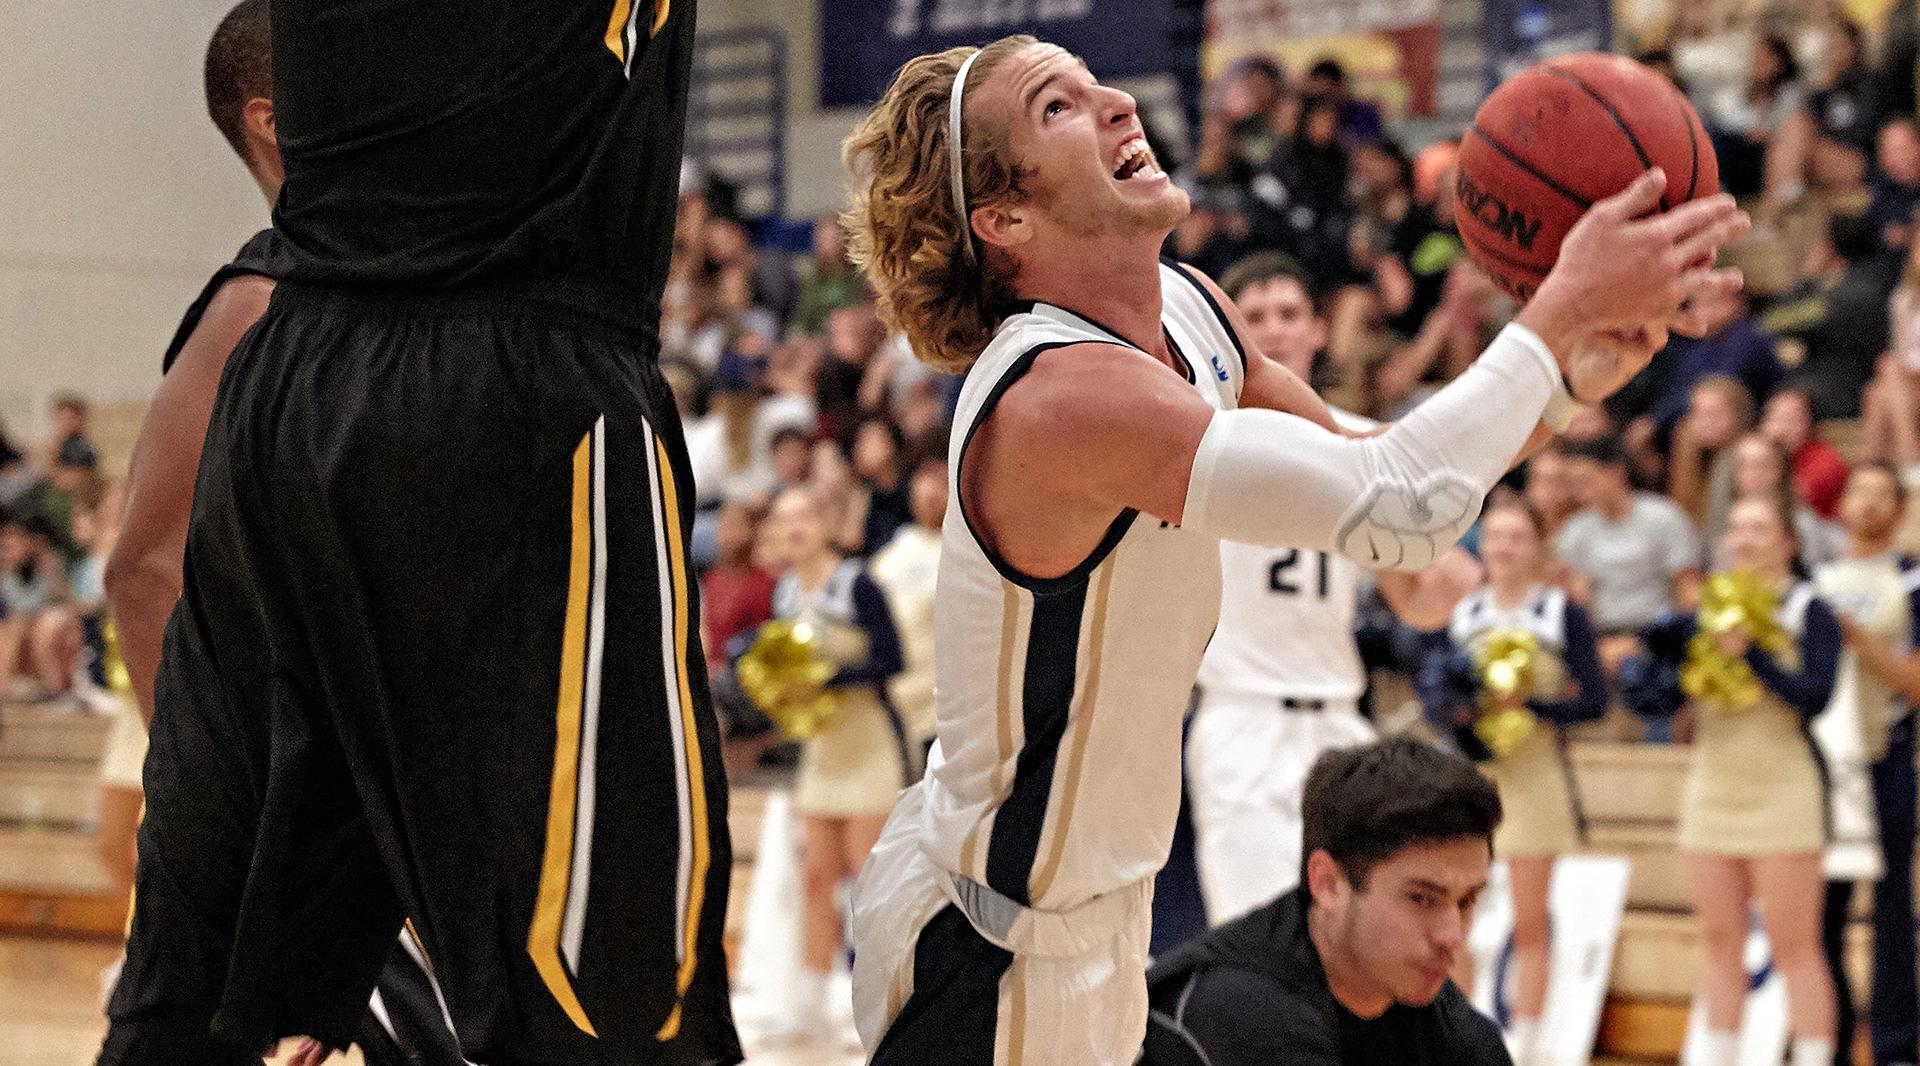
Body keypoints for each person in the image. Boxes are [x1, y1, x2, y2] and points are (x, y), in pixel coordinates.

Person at [838, 34, 1746, 1066]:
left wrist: (1576, 372)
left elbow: (1373, 465)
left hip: (1093, 915)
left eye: (1098, 83)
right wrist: (1558, 310)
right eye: (1059, 108)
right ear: (1003, 217)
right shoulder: (1055, 394)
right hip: (987, 940)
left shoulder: (1192, 309)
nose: (1119, 103)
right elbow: (1398, 502)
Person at [98, 0, 739, 1063]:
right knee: (616, 1001)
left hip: (327, 388)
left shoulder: (286, 298)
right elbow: (138, 567)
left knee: (194, 996)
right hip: (513, 379)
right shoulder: (258, 291)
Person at [99, 6, 469, 1066]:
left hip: (376, 795)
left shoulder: (380, 292)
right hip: (279, 804)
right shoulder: (260, 300)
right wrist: (213, 800)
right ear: (274, 118)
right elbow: (141, 567)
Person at [1187, 251, 1479, 926]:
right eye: (1254, 318)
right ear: (1228, 335)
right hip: (1243, 718)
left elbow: (1416, 600)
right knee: (1256, 944)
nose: (1276, 330)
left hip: (1341, 724)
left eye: (1289, 314)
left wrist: (1460, 576)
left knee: (1353, 946)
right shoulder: (1198, 437)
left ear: (1319, 330)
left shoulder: (1358, 441)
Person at [1139, 737, 1511, 1066]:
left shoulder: (1458, 1035)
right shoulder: (1242, 1011)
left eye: (1467, 901)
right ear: (1328, 883)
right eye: (1422, 899)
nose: (1454, 935)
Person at [1418, 495, 1607, 1065]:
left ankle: (1526, 1047)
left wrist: (1530, 707)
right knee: (1456, 922)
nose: (1502, 547)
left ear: (1539, 547)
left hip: (1536, 778)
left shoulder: (1560, 612)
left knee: (1529, 923)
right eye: (1494, 536)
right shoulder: (1460, 612)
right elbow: (1434, 698)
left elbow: (1595, 700)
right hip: (1469, 780)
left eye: (1516, 537)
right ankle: (1460, 1040)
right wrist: (1463, 711)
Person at [1668, 493, 1842, 1066]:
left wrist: (1755, 657)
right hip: (1711, 787)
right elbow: (1673, 692)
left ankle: (1813, 1057)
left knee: (1797, 946)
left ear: (1787, 543)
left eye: (1758, 530)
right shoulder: (1703, 611)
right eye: (1734, 529)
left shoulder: (1809, 607)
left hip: (1783, 788)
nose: (1743, 540)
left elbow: (1815, 697)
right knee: (1720, 943)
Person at [760, 486, 908, 1040]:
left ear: (823, 524)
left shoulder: (858, 584)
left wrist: (828, 680)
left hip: (869, 744)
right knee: (815, 876)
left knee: (864, 879)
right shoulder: (782, 594)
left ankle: (868, 1001)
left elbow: (894, 658)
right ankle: (810, 1000)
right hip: (821, 751)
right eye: (783, 519)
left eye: (803, 517)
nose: (793, 528)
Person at [1814, 463, 1920, 1066]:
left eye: (1885, 494)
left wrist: (1857, 638)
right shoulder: (1815, 578)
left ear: (1900, 510)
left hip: (1886, 756)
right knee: (1822, 907)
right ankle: (1826, 1040)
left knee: (1891, 907)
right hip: (1820, 763)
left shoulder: (1910, 580)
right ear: (1843, 503)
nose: (1870, 503)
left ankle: (1895, 1049)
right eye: (1861, 491)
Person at [1556, 434, 1702, 676]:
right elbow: (1578, 600)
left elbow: (1688, 588)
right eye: (1573, 484)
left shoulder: (1663, 517)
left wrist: (1675, 645)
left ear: (1615, 473)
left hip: (1657, 636)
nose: (1579, 492)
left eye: (1585, 481)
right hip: (1602, 639)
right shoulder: (1575, 530)